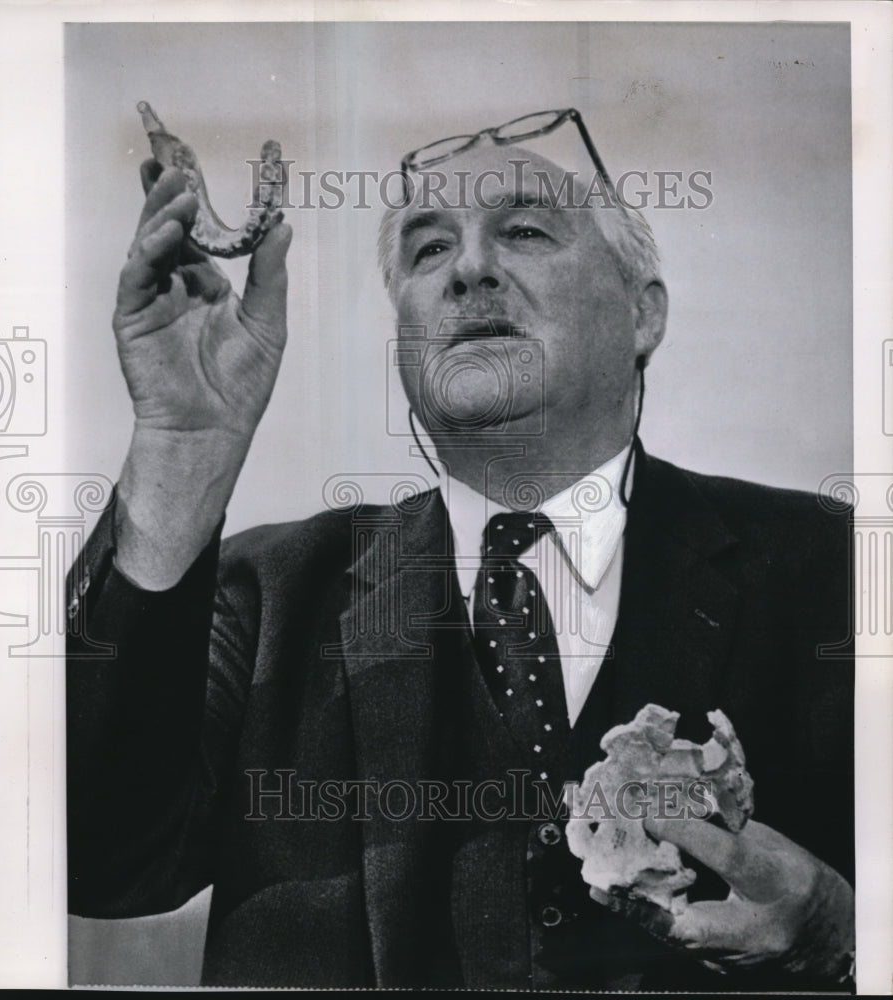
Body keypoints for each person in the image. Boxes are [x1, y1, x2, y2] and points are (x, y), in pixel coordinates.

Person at [66, 109, 855, 991]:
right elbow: (97, 858)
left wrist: (850, 934)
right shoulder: (270, 593)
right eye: (428, 250)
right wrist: (183, 446)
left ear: (643, 313)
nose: (470, 268)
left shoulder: (834, 574)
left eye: (522, 231)